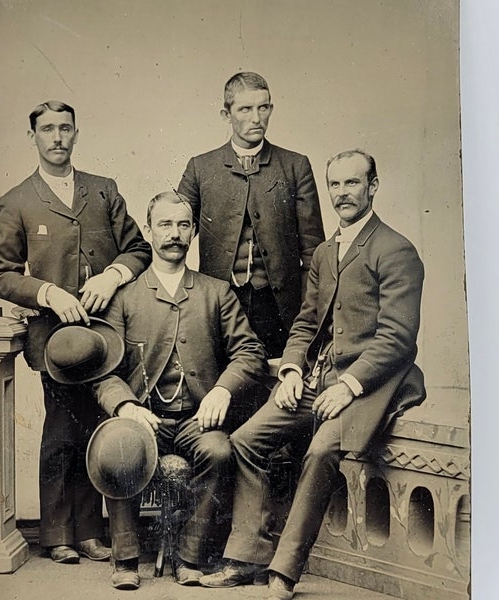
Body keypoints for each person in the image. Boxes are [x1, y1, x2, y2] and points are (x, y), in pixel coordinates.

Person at [200, 150, 426, 600]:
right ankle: (247, 556)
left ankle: (283, 571)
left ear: (373, 187)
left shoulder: (395, 249)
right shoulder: (325, 252)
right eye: (335, 185)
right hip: (318, 379)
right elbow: (306, 322)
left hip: (373, 384)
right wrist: (290, 370)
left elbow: (398, 338)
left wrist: (348, 385)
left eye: (353, 184)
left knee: (321, 448)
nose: (343, 193)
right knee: (245, 441)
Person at [0, 101, 152, 564]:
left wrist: (112, 275)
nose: (57, 137)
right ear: (33, 136)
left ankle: (90, 533)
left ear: (76, 133)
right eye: (47, 130)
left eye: (65, 128)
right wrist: (46, 294)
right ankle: (57, 535)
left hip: (105, 338)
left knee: (96, 428)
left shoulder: (103, 191)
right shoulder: (17, 200)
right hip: (55, 343)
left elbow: (139, 248)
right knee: (61, 433)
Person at [93, 191, 268, 590]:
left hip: (196, 420)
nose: (174, 234)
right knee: (118, 445)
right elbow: (102, 371)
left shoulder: (216, 292)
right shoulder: (125, 297)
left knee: (219, 450)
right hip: (143, 419)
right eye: (165, 225)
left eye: (183, 225)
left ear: (192, 232)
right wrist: (124, 406)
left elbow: (250, 352)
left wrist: (222, 391)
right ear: (150, 230)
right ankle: (125, 560)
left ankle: (188, 557)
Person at [177, 72, 325, 358]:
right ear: (226, 114)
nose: (256, 118)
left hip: (279, 307)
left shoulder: (295, 166)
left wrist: (308, 312)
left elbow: (313, 253)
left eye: (264, 107)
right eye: (245, 109)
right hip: (219, 303)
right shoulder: (201, 168)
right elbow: (176, 233)